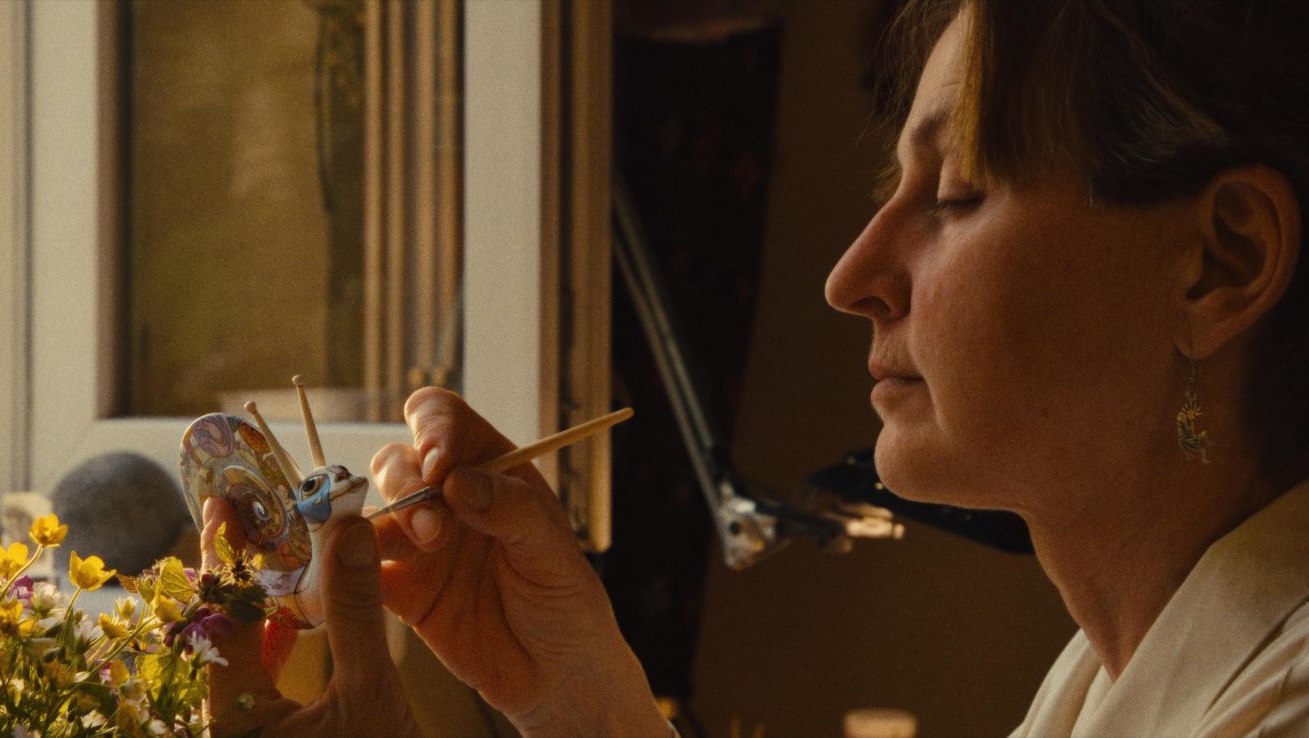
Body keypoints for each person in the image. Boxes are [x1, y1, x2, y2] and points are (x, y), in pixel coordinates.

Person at [206, 0, 1309, 735]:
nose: (850, 276)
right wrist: (579, 696)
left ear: (1220, 262)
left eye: (956, 193)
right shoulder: (1105, 685)